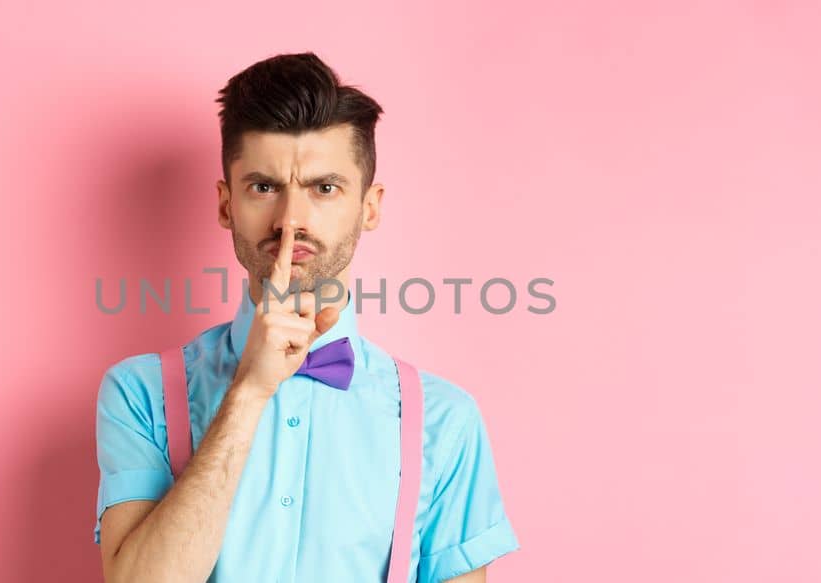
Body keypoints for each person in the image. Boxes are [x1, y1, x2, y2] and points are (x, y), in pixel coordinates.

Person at [93, 51, 518, 582]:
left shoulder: (443, 420)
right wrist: (248, 392)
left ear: (370, 206)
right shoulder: (140, 393)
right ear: (226, 205)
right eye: (264, 187)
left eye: (324, 188)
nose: (291, 220)